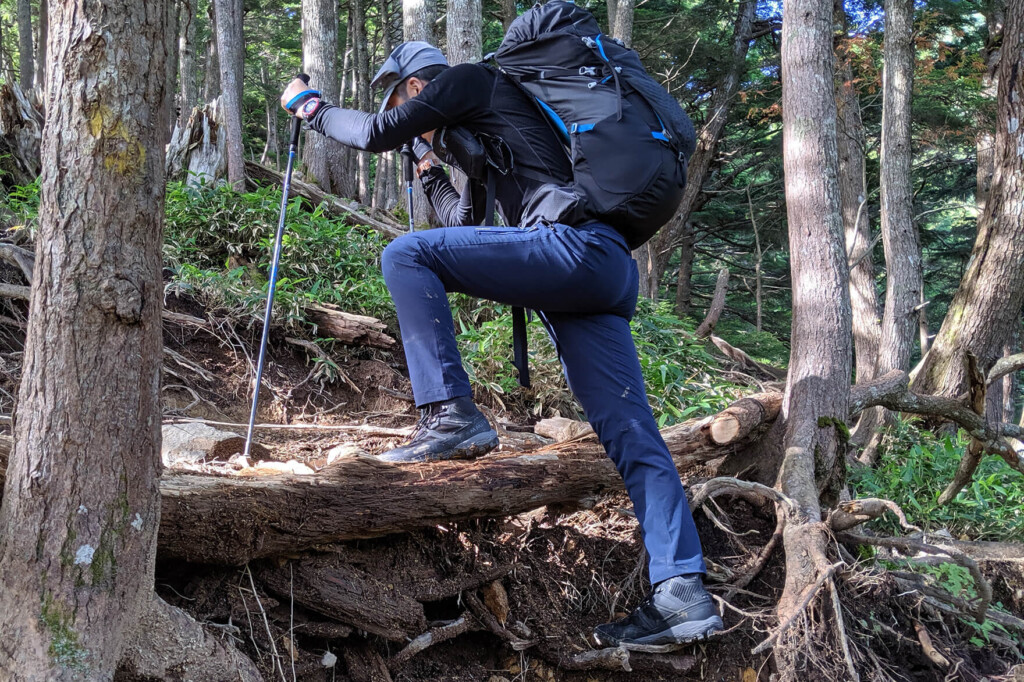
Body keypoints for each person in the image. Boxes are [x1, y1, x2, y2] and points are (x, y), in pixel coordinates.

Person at [281, 41, 723, 650]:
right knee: (632, 436)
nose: (408, 120)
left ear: (415, 89)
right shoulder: (487, 147)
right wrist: (434, 173)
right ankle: (683, 594)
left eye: (401, 101)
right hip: (599, 272)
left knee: (403, 254)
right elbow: (466, 232)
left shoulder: (473, 82)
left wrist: (312, 109)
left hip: (575, 250)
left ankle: (450, 415)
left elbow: (377, 133)